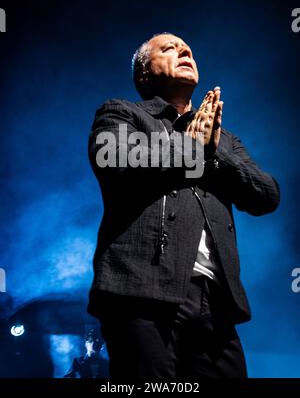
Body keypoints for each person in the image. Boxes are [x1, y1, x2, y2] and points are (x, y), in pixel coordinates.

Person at [87, 32, 280, 380]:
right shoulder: (121, 112)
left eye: (188, 49)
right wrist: (192, 149)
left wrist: (214, 151)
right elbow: (115, 160)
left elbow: (266, 196)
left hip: (217, 305)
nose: (185, 51)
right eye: (169, 49)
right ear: (145, 74)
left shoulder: (225, 139)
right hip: (141, 295)